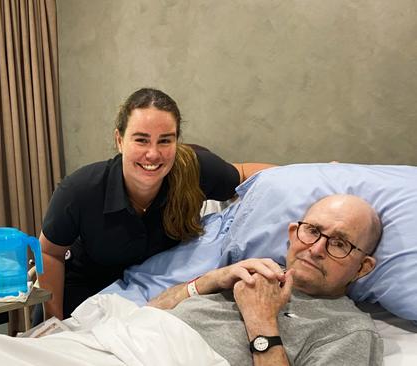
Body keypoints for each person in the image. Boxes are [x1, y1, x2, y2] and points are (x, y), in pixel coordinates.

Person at [38, 87, 275, 321]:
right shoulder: (80, 191)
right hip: (82, 297)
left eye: (165, 141)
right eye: (141, 140)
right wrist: (53, 322)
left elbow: (245, 173)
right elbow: (49, 253)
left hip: (151, 298)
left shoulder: (193, 171)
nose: (153, 154)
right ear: (119, 140)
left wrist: (308, 184)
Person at [149, 194, 384, 365]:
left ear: (362, 268)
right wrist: (211, 280)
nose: (316, 249)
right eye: (312, 231)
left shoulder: (350, 331)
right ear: (293, 234)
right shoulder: (251, 271)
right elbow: (151, 310)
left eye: (339, 243)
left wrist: (261, 321)